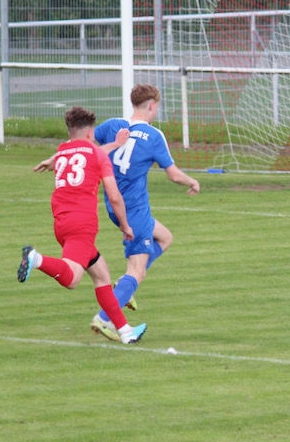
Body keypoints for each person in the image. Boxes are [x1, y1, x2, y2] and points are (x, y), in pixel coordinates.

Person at [35, 84, 200, 342]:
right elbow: (173, 175)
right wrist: (192, 181)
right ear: (152, 106)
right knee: (138, 270)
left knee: (165, 237)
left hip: (113, 208)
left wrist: (54, 159)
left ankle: (125, 285)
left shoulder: (113, 126)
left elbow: (81, 146)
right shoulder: (154, 136)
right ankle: (106, 316)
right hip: (133, 209)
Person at [18, 105, 147, 345]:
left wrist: (114, 145)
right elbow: (115, 196)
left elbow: (86, 154)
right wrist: (125, 225)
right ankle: (36, 259)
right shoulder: (97, 155)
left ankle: (125, 331)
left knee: (102, 276)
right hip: (82, 224)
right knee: (73, 279)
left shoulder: (62, 152)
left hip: (62, 223)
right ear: (90, 132)